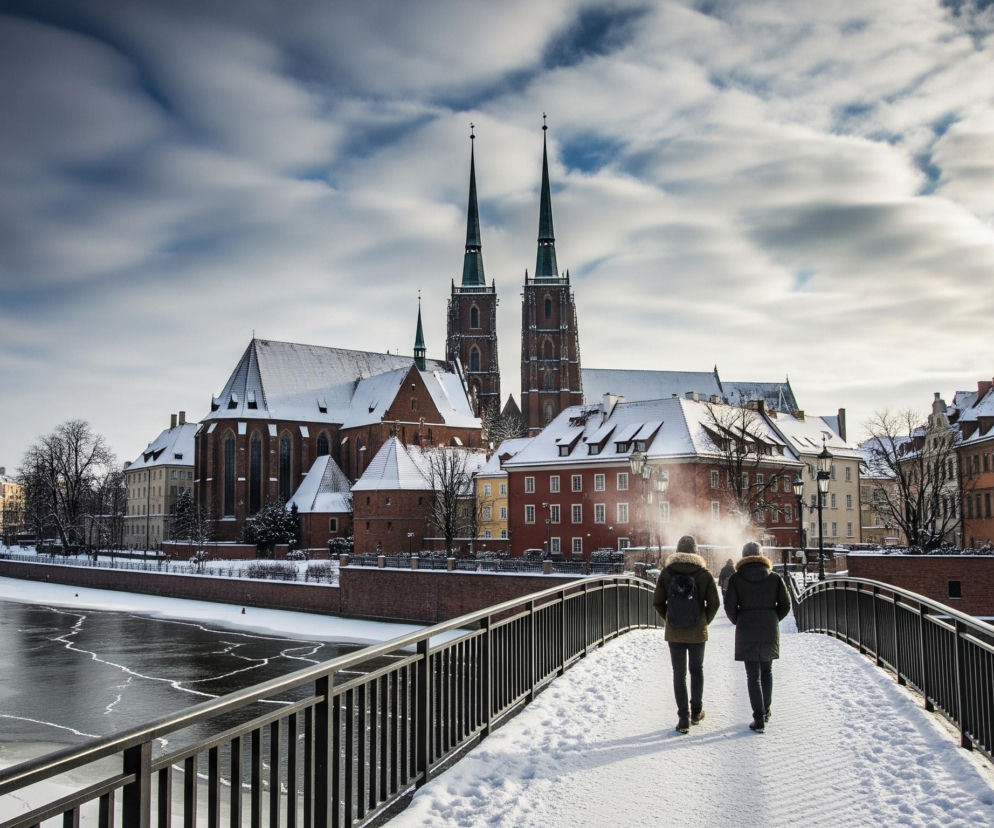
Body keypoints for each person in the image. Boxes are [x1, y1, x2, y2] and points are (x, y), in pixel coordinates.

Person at [653, 535, 720, 734]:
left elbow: (657, 602)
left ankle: (683, 718)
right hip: (697, 632)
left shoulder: (667, 573)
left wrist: (670, 619)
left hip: (675, 632)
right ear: (695, 551)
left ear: (677, 550)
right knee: (697, 670)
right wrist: (703, 621)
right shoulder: (704, 574)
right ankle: (696, 712)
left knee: (679, 674)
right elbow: (715, 603)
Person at [724, 541, 791, 733]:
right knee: (767, 671)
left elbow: (729, 606)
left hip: (747, 628)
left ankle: (758, 718)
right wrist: (773, 618)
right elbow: (785, 605)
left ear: (743, 556)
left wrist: (740, 620)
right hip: (769, 627)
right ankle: (766, 710)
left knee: (753, 675)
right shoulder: (774, 578)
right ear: (762, 556)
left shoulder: (736, 579)